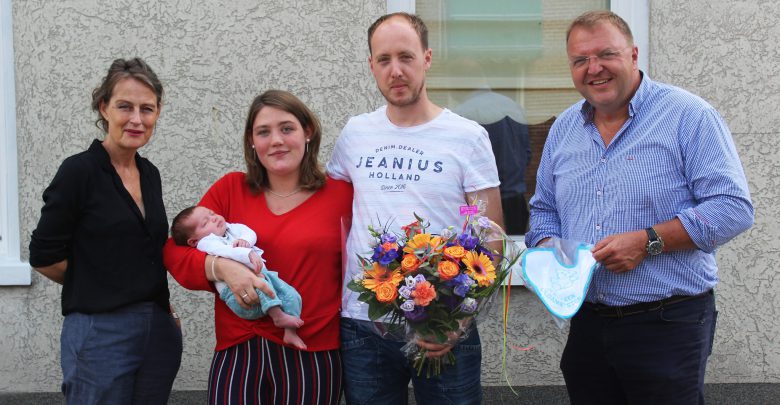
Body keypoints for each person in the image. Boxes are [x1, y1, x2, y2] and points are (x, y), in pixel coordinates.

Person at [525, 10, 754, 404]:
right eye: (580, 60)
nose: (593, 68)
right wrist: (551, 249)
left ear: (633, 55)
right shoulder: (564, 128)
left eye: (605, 54)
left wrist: (647, 241)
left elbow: (733, 208)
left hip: (667, 323)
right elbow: (544, 209)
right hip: (588, 324)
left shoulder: (688, 116)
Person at [327, 12, 502, 405]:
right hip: (364, 324)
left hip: (442, 322)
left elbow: (486, 232)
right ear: (371, 65)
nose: (396, 71)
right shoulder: (355, 134)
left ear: (427, 58)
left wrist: (460, 318)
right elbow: (331, 212)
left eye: (406, 57)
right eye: (384, 59)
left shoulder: (466, 137)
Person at [163, 90, 353, 404]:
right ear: (252, 141)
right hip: (240, 345)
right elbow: (175, 252)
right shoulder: (230, 189)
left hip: (311, 346)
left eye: (287, 128)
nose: (276, 140)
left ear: (307, 132)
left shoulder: (341, 194)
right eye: (263, 132)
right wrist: (222, 267)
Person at [28, 58, 182, 404]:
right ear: (104, 108)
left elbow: (145, 253)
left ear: (157, 113)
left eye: (147, 109)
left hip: (156, 331)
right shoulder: (78, 172)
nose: (137, 119)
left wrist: (165, 311)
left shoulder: (149, 174)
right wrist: (99, 284)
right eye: (125, 106)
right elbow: (43, 257)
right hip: (99, 331)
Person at [170, 205, 306, 349]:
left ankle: (290, 332)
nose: (214, 218)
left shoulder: (231, 228)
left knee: (291, 295)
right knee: (261, 287)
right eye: (205, 222)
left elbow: (249, 232)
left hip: (263, 277)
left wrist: (245, 240)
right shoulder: (206, 243)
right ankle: (278, 316)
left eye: (212, 213)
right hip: (237, 295)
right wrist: (247, 253)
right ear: (193, 241)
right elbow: (226, 251)